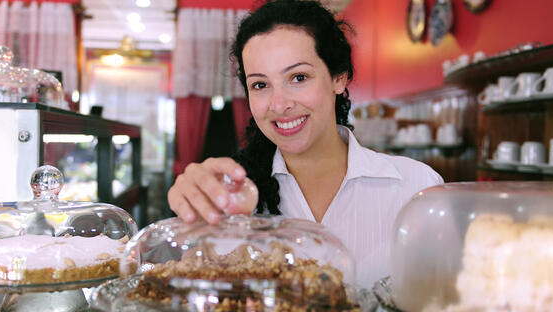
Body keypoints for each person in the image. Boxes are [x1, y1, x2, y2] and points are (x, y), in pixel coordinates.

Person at [167, 0, 443, 288]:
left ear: (339, 77)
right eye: (260, 85)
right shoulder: (232, 197)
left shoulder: (416, 189)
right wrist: (194, 216)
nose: (279, 104)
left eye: (298, 77)